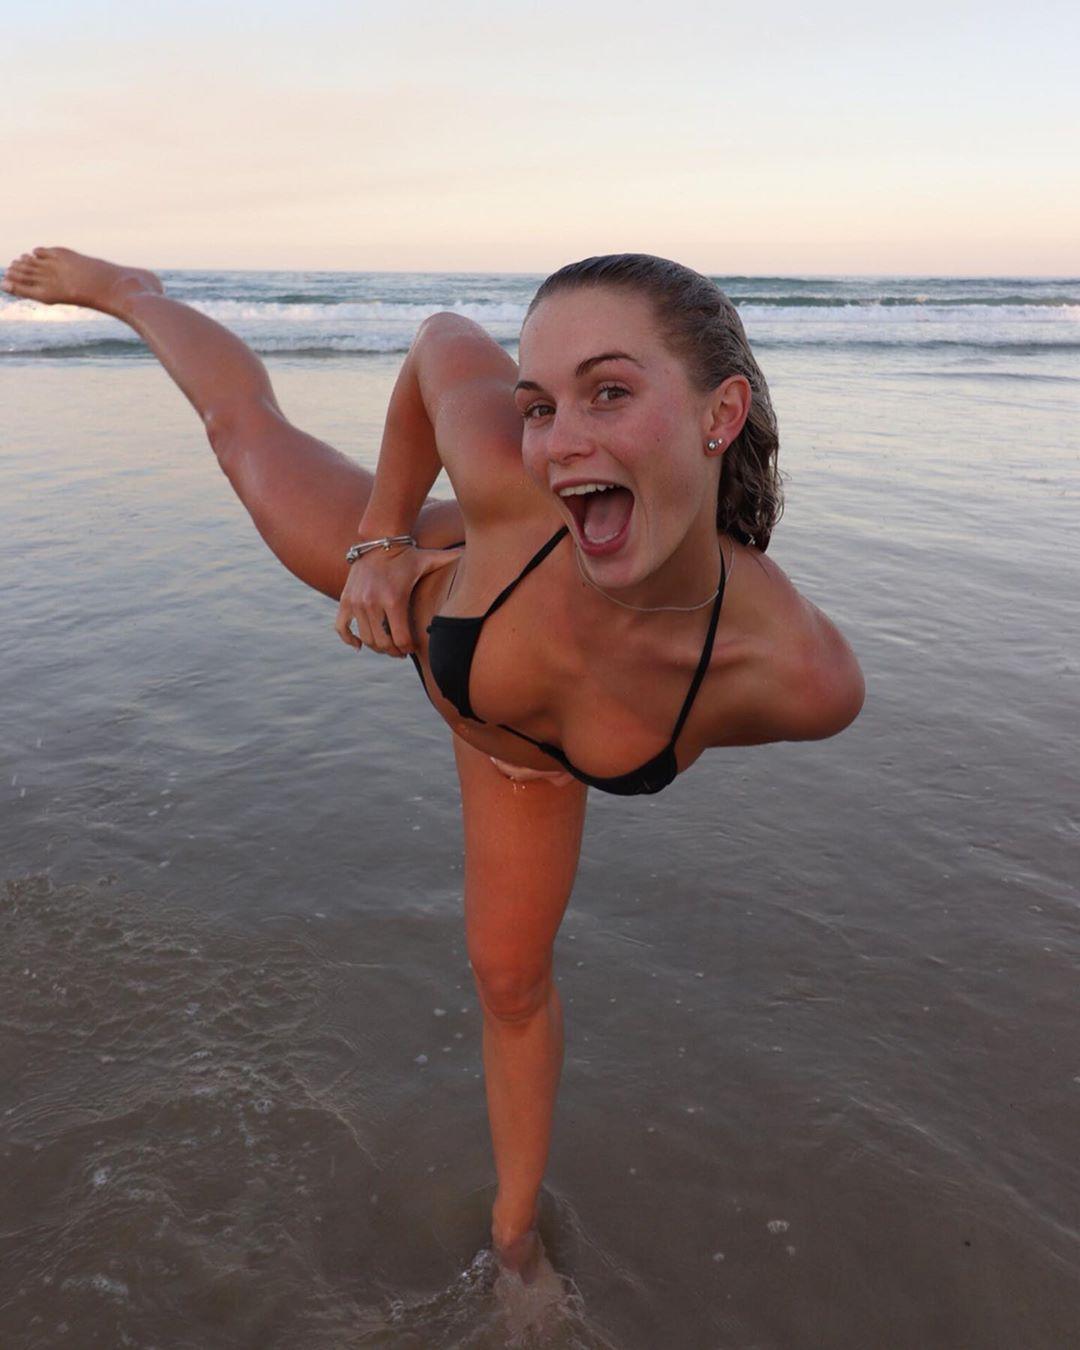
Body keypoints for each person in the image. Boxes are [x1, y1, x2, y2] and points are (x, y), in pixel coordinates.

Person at [2, 246, 864, 1285]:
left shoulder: (803, 680)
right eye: (539, 404)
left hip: (526, 765)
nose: (559, 440)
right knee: (243, 433)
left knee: (510, 983)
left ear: (719, 413)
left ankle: (515, 1244)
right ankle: (130, 291)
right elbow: (437, 341)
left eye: (610, 392)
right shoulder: (509, 477)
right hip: (440, 597)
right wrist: (381, 541)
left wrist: (612, 716)